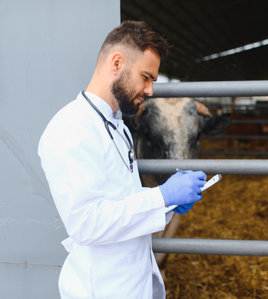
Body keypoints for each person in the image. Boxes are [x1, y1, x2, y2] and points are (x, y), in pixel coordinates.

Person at [38, 20, 206, 299]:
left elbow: (120, 199)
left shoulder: (118, 126)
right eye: (146, 77)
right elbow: (86, 223)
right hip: (102, 289)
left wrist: (169, 204)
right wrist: (161, 197)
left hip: (131, 280)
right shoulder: (71, 128)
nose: (151, 90)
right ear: (117, 63)